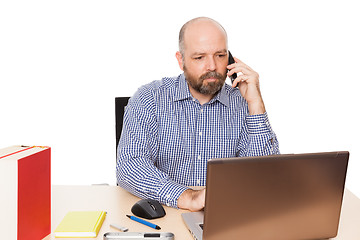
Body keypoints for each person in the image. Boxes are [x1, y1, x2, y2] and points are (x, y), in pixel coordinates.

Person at [116, 17, 279, 211]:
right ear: (181, 60)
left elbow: (266, 176)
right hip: (168, 211)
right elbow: (130, 165)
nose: (211, 66)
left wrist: (255, 104)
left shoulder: (243, 102)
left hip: (228, 212)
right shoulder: (149, 98)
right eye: (199, 57)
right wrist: (187, 197)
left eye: (220, 55)